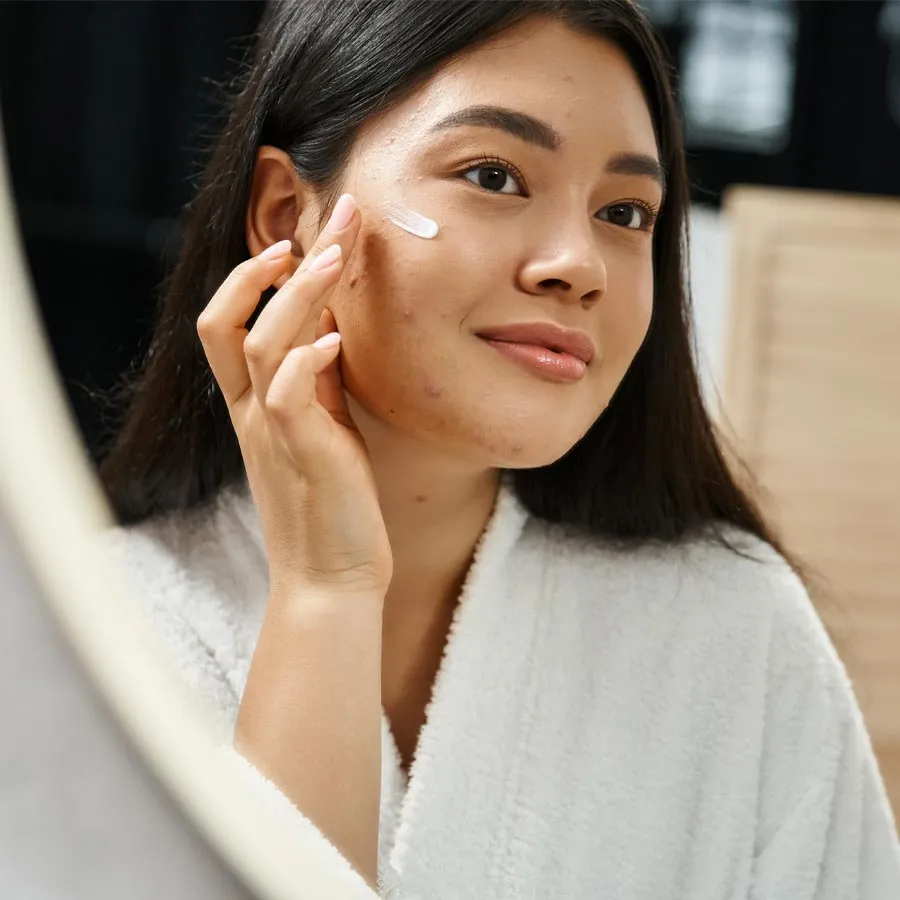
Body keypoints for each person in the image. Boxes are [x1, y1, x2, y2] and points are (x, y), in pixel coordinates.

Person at [97, 1, 900, 897]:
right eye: (493, 175)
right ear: (289, 213)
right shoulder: (85, 638)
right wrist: (325, 593)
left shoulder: (735, 633)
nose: (579, 264)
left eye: (627, 213)